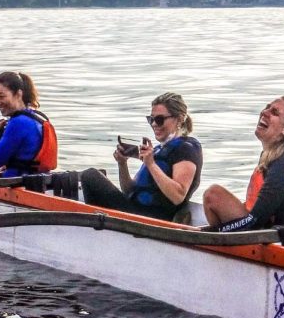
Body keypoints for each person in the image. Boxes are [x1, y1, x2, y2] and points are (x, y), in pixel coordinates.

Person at [203, 96, 284, 232]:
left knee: (213, 195)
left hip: (282, 241)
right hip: (269, 231)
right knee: (214, 197)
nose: (264, 112)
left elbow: (254, 221)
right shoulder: (274, 157)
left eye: (275, 112)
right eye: (267, 107)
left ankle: (217, 248)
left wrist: (212, 232)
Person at [80, 92, 203, 221]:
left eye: (159, 120)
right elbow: (128, 191)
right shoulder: (157, 150)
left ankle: (95, 225)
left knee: (91, 176)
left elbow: (178, 196)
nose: (154, 124)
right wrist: (122, 164)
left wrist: (151, 164)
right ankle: (97, 226)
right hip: (134, 211)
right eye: (151, 120)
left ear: (179, 119)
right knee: (94, 177)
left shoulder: (186, 148)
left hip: (152, 219)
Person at [0, 71, 56, 177]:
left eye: (1, 96)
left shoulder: (17, 123)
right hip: (36, 180)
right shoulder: (36, 117)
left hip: (16, 184)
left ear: (18, 94)